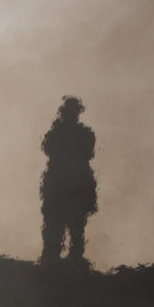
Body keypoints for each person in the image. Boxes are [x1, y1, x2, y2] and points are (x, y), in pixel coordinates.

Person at [40, 97, 97, 265]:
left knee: (69, 229)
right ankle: (60, 264)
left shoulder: (59, 132)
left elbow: (48, 149)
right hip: (69, 186)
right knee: (68, 229)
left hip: (68, 186)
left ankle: (58, 264)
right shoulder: (81, 133)